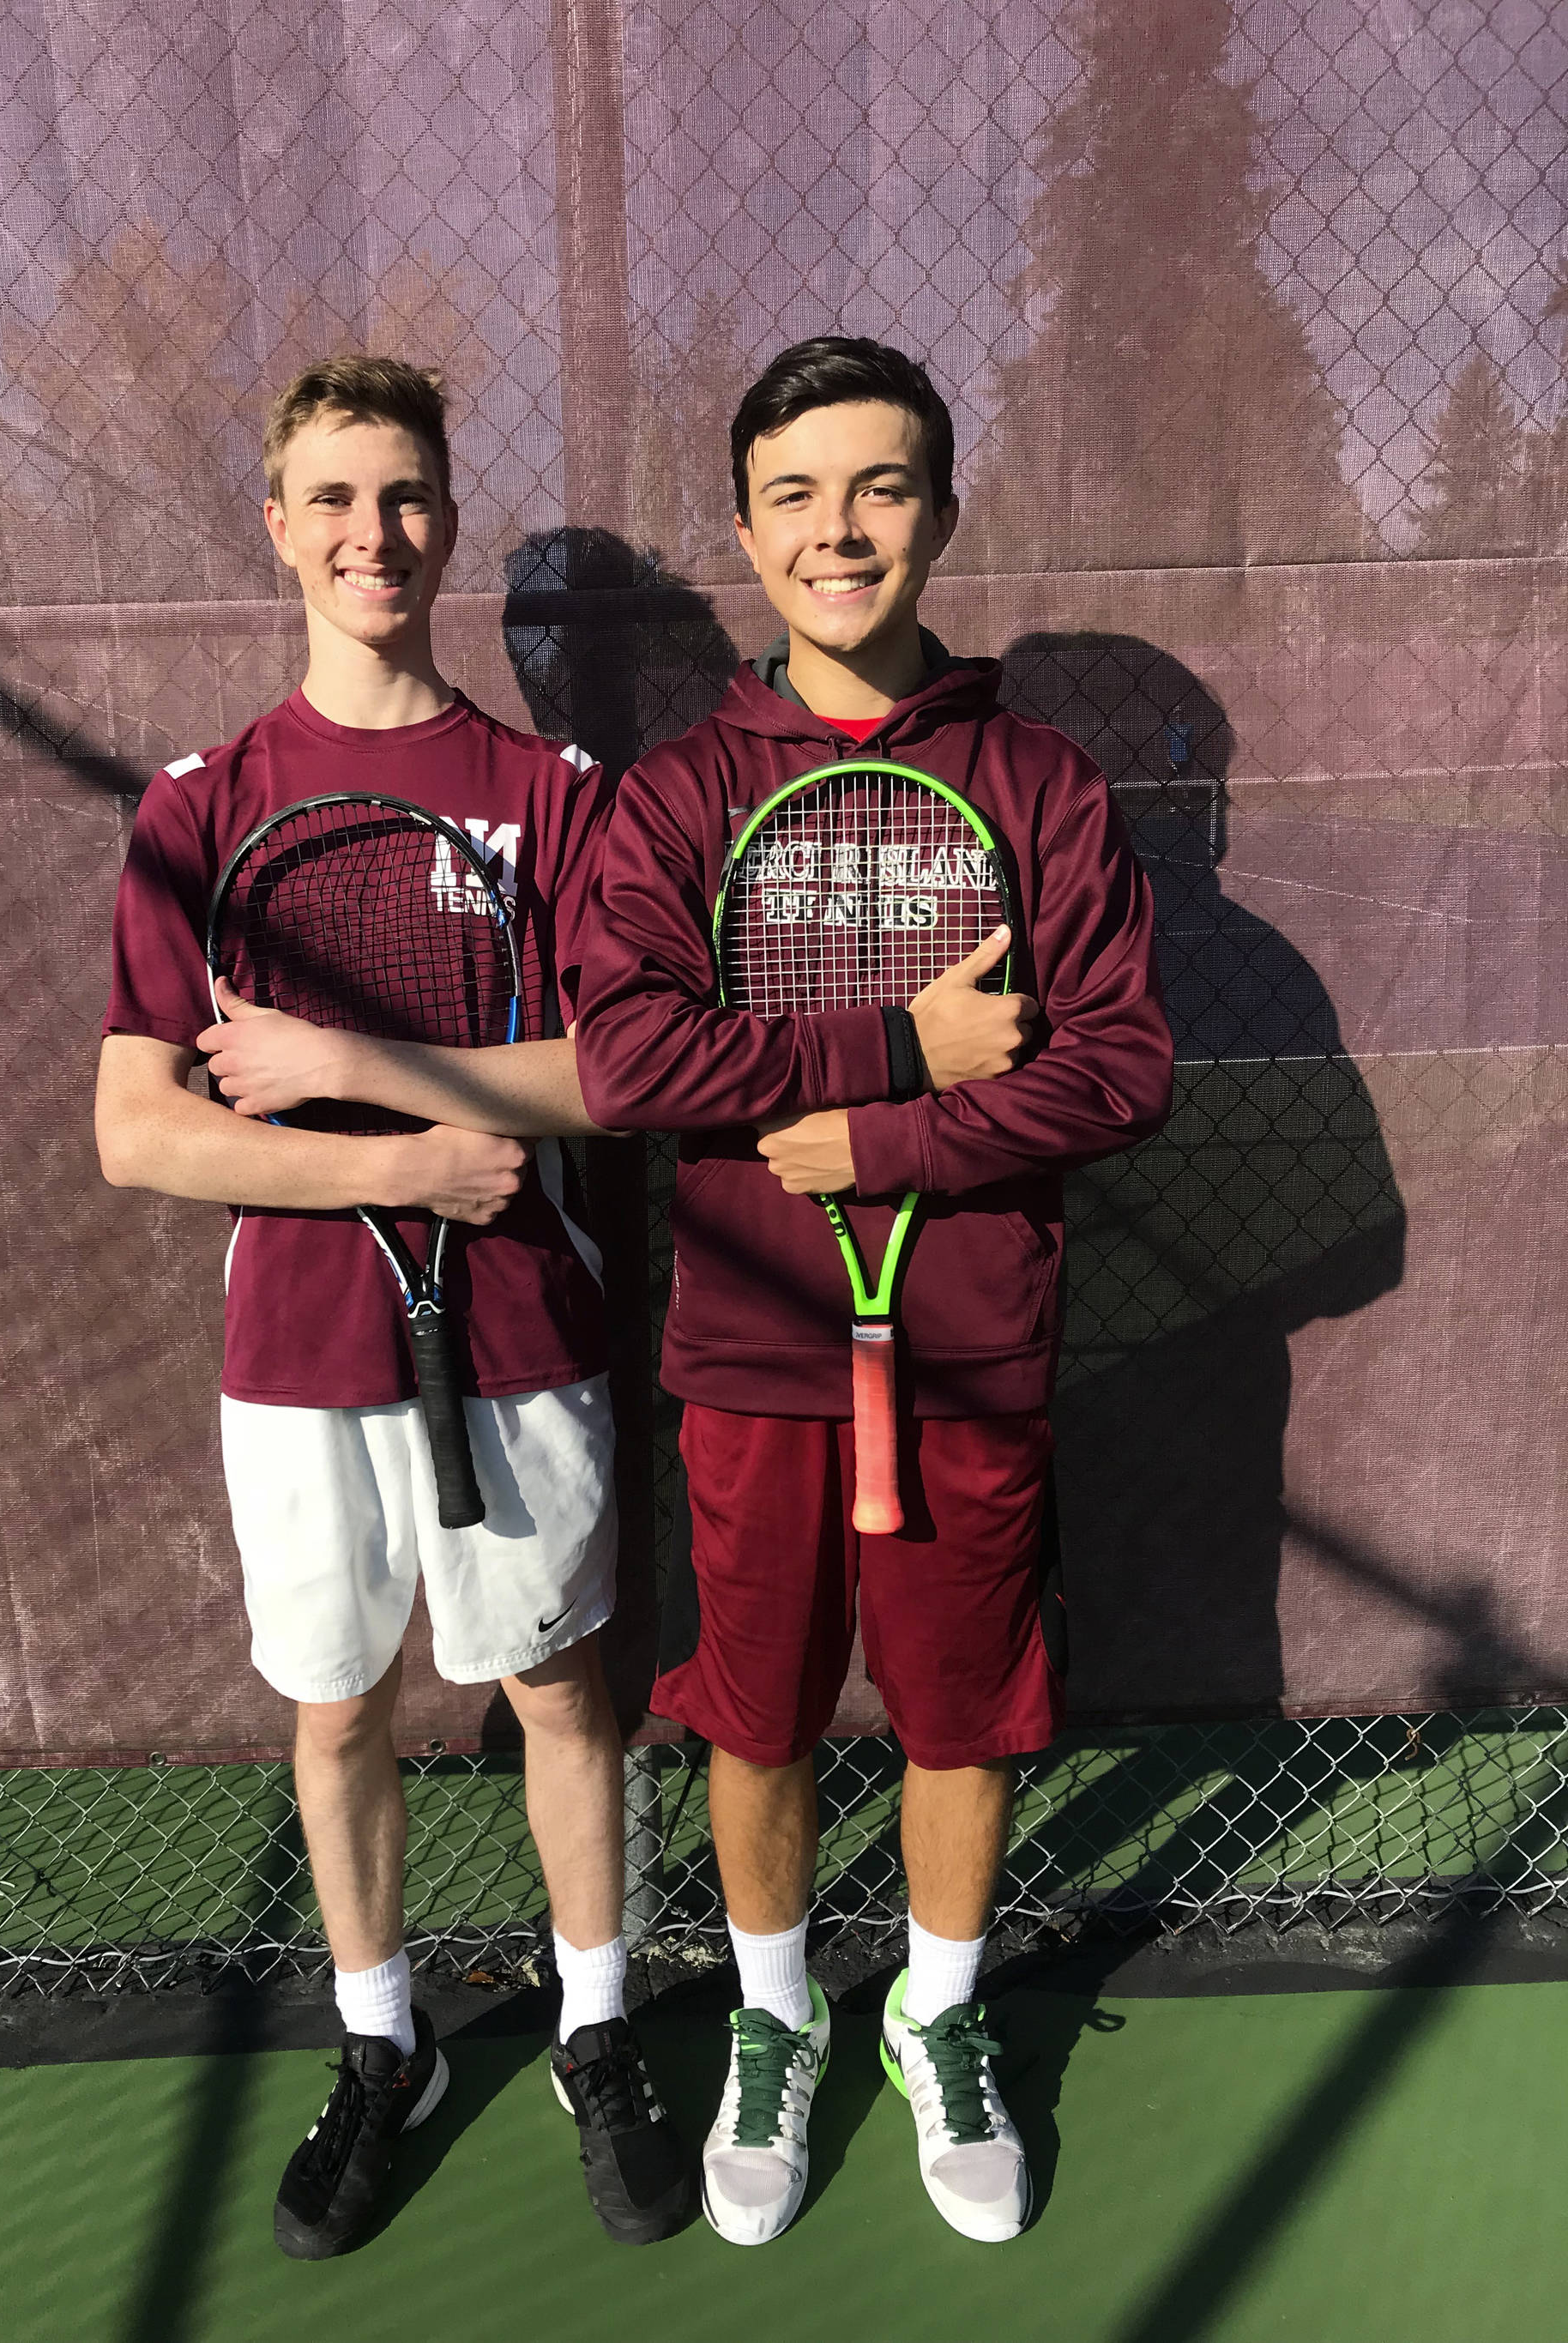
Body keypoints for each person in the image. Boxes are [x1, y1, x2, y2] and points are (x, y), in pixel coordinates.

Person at [573, 336, 1173, 2246]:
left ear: (941, 513)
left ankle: (934, 2011)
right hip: (752, 1354)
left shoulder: (1037, 785)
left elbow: (1121, 1069)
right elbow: (628, 1058)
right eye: (796, 497)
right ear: (746, 531)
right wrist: (899, 1049)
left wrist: (891, 1142)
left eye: (880, 488)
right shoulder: (679, 798)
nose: (838, 532)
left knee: (958, 1720)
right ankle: (775, 2020)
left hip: (974, 1353)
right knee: (755, 1718)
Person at [94, 355, 693, 2258]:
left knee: (555, 1689)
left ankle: (595, 2028)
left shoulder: (548, 798)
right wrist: (404, 1167)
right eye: (337, 499)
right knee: (337, 1707)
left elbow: (614, 1078)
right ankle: (386, 2046)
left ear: (447, 521)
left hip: (517, 1329)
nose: (376, 533)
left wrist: (356, 1068)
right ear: (279, 526)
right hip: (297, 1358)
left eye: (409, 496)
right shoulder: (201, 808)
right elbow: (138, 1130)